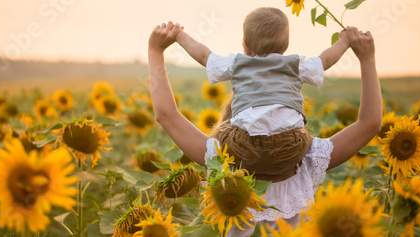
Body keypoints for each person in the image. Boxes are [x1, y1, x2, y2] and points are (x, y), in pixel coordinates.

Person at [148, 21, 381, 234]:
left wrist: (156, 51)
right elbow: (369, 124)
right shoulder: (308, 159)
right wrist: (366, 58)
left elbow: (166, 114)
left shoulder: (220, 158)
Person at [176, 7, 350, 181]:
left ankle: (223, 175)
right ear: (286, 46)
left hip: (244, 147)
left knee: (221, 132)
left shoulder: (238, 63)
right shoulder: (295, 65)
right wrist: (344, 41)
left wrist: (179, 36)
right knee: (306, 136)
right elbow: (325, 60)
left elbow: (205, 56)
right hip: (290, 149)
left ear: (246, 47)